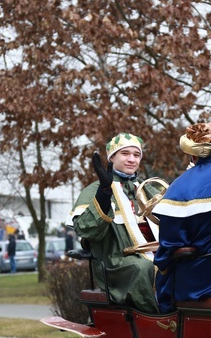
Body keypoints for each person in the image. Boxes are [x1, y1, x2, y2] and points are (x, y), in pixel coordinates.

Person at [66, 132, 161, 313]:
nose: (132, 159)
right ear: (112, 157)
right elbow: (86, 231)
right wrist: (104, 193)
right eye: (125, 154)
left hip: (155, 254)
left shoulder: (147, 189)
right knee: (145, 267)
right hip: (117, 263)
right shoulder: (95, 189)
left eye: (136, 154)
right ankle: (159, 320)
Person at [152, 123, 211, 313]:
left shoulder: (180, 188)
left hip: (203, 278)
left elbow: (171, 245)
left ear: (192, 155)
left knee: (161, 274)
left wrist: (160, 262)